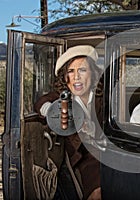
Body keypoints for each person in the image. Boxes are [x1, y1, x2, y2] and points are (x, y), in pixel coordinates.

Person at [34, 45, 103, 200]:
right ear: (65, 77)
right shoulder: (64, 97)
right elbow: (41, 103)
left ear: (92, 73)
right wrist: (56, 113)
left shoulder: (102, 97)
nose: (76, 77)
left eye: (82, 70)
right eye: (71, 71)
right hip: (83, 156)